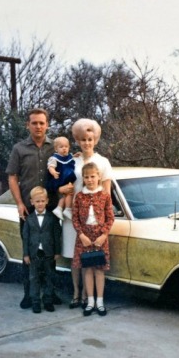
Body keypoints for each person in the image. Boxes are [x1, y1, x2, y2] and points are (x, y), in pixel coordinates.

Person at [6, 108, 61, 309]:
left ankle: (50, 294)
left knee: (50, 251)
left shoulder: (54, 148)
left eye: (42, 123)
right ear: (27, 125)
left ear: (47, 125)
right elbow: (12, 177)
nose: (38, 126)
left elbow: (68, 165)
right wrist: (20, 203)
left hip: (52, 207)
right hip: (28, 209)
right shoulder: (19, 149)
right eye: (34, 123)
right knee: (29, 253)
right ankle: (29, 295)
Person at [60, 118, 113, 310]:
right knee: (75, 257)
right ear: (77, 140)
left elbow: (106, 194)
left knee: (91, 260)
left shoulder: (103, 162)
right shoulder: (71, 161)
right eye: (82, 139)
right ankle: (76, 293)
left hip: (95, 221)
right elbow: (65, 185)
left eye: (90, 139)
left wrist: (103, 226)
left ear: (96, 140)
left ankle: (87, 295)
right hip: (73, 215)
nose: (86, 143)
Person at [71, 162, 114, 316]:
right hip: (84, 237)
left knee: (99, 270)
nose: (90, 180)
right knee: (87, 269)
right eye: (86, 177)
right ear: (83, 179)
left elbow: (110, 218)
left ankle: (100, 302)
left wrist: (104, 235)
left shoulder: (104, 196)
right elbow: (74, 218)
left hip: (100, 237)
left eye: (92, 176)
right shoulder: (79, 196)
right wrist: (81, 235)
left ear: (99, 177)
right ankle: (90, 302)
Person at [22, 186, 62, 313]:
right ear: (32, 202)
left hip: (48, 253)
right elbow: (26, 237)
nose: (40, 204)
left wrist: (57, 251)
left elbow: (57, 235)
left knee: (49, 277)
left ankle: (48, 300)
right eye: (37, 201)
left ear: (47, 201)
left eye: (42, 201)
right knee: (34, 278)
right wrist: (26, 254)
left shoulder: (52, 218)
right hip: (34, 253)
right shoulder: (29, 219)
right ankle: (35, 302)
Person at [47, 136, 76, 221]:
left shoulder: (69, 157)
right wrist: (53, 172)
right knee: (64, 194)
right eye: (61, 147)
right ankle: (61, 208)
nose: (64, 149)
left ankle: (66, 209)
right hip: (61, 179)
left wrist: (75, 155)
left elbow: (71, 160)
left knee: (69, 194)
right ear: (56, 149)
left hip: (68, 179)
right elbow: (51, 166)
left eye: (66, 147)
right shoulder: (54, 158)